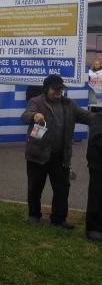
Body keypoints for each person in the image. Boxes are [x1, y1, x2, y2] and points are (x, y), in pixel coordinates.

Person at [21, 74, 92, 228]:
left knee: (62, 189)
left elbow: (87, 117)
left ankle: (59, 219)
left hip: (60, 156)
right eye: (55, 89)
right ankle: (34, 215)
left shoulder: (69, 105)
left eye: (61, 89)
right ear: (47, 88)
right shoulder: (36, 102)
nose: (59, 92)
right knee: (35, 187)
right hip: (38, 154)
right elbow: (25, 116)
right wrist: (34, 116)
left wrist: (98, 118)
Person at [86, 110, 102, 243]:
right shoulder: (98, 118)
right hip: (98, 164)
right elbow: (96, 139)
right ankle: (93, 229)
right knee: (96, 197)